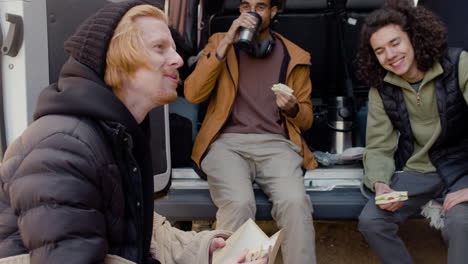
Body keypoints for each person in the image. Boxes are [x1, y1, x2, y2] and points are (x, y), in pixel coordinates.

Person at [0, 1, 266, 264]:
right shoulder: (62, 150)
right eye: (159, 48)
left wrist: (208, 250)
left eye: (173, 48)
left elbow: (139, 238)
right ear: (117, 58)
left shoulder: (114, 138)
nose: (178, 59)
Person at [184, 0, 318, 263]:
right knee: (238, 203)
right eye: (246, 6)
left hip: (277, 146)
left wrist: (292, 109)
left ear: (274, 11)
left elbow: (307, 121)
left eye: (261, 6)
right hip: (226, 144)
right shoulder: (220, 43)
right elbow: (192, 94)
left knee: (295, 203)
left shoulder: (295, 56)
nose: (252, 12)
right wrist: (225, 43)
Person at [355, 1, 468, 263]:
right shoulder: (381, 88)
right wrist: (380, 183)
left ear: (415, 38)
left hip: (462, 165)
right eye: (380, 51)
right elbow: (378, 146)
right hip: (419, 170)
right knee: (371, 220)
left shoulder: (458, 64)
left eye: (395, 43)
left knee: (461, 221)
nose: (390, 55)